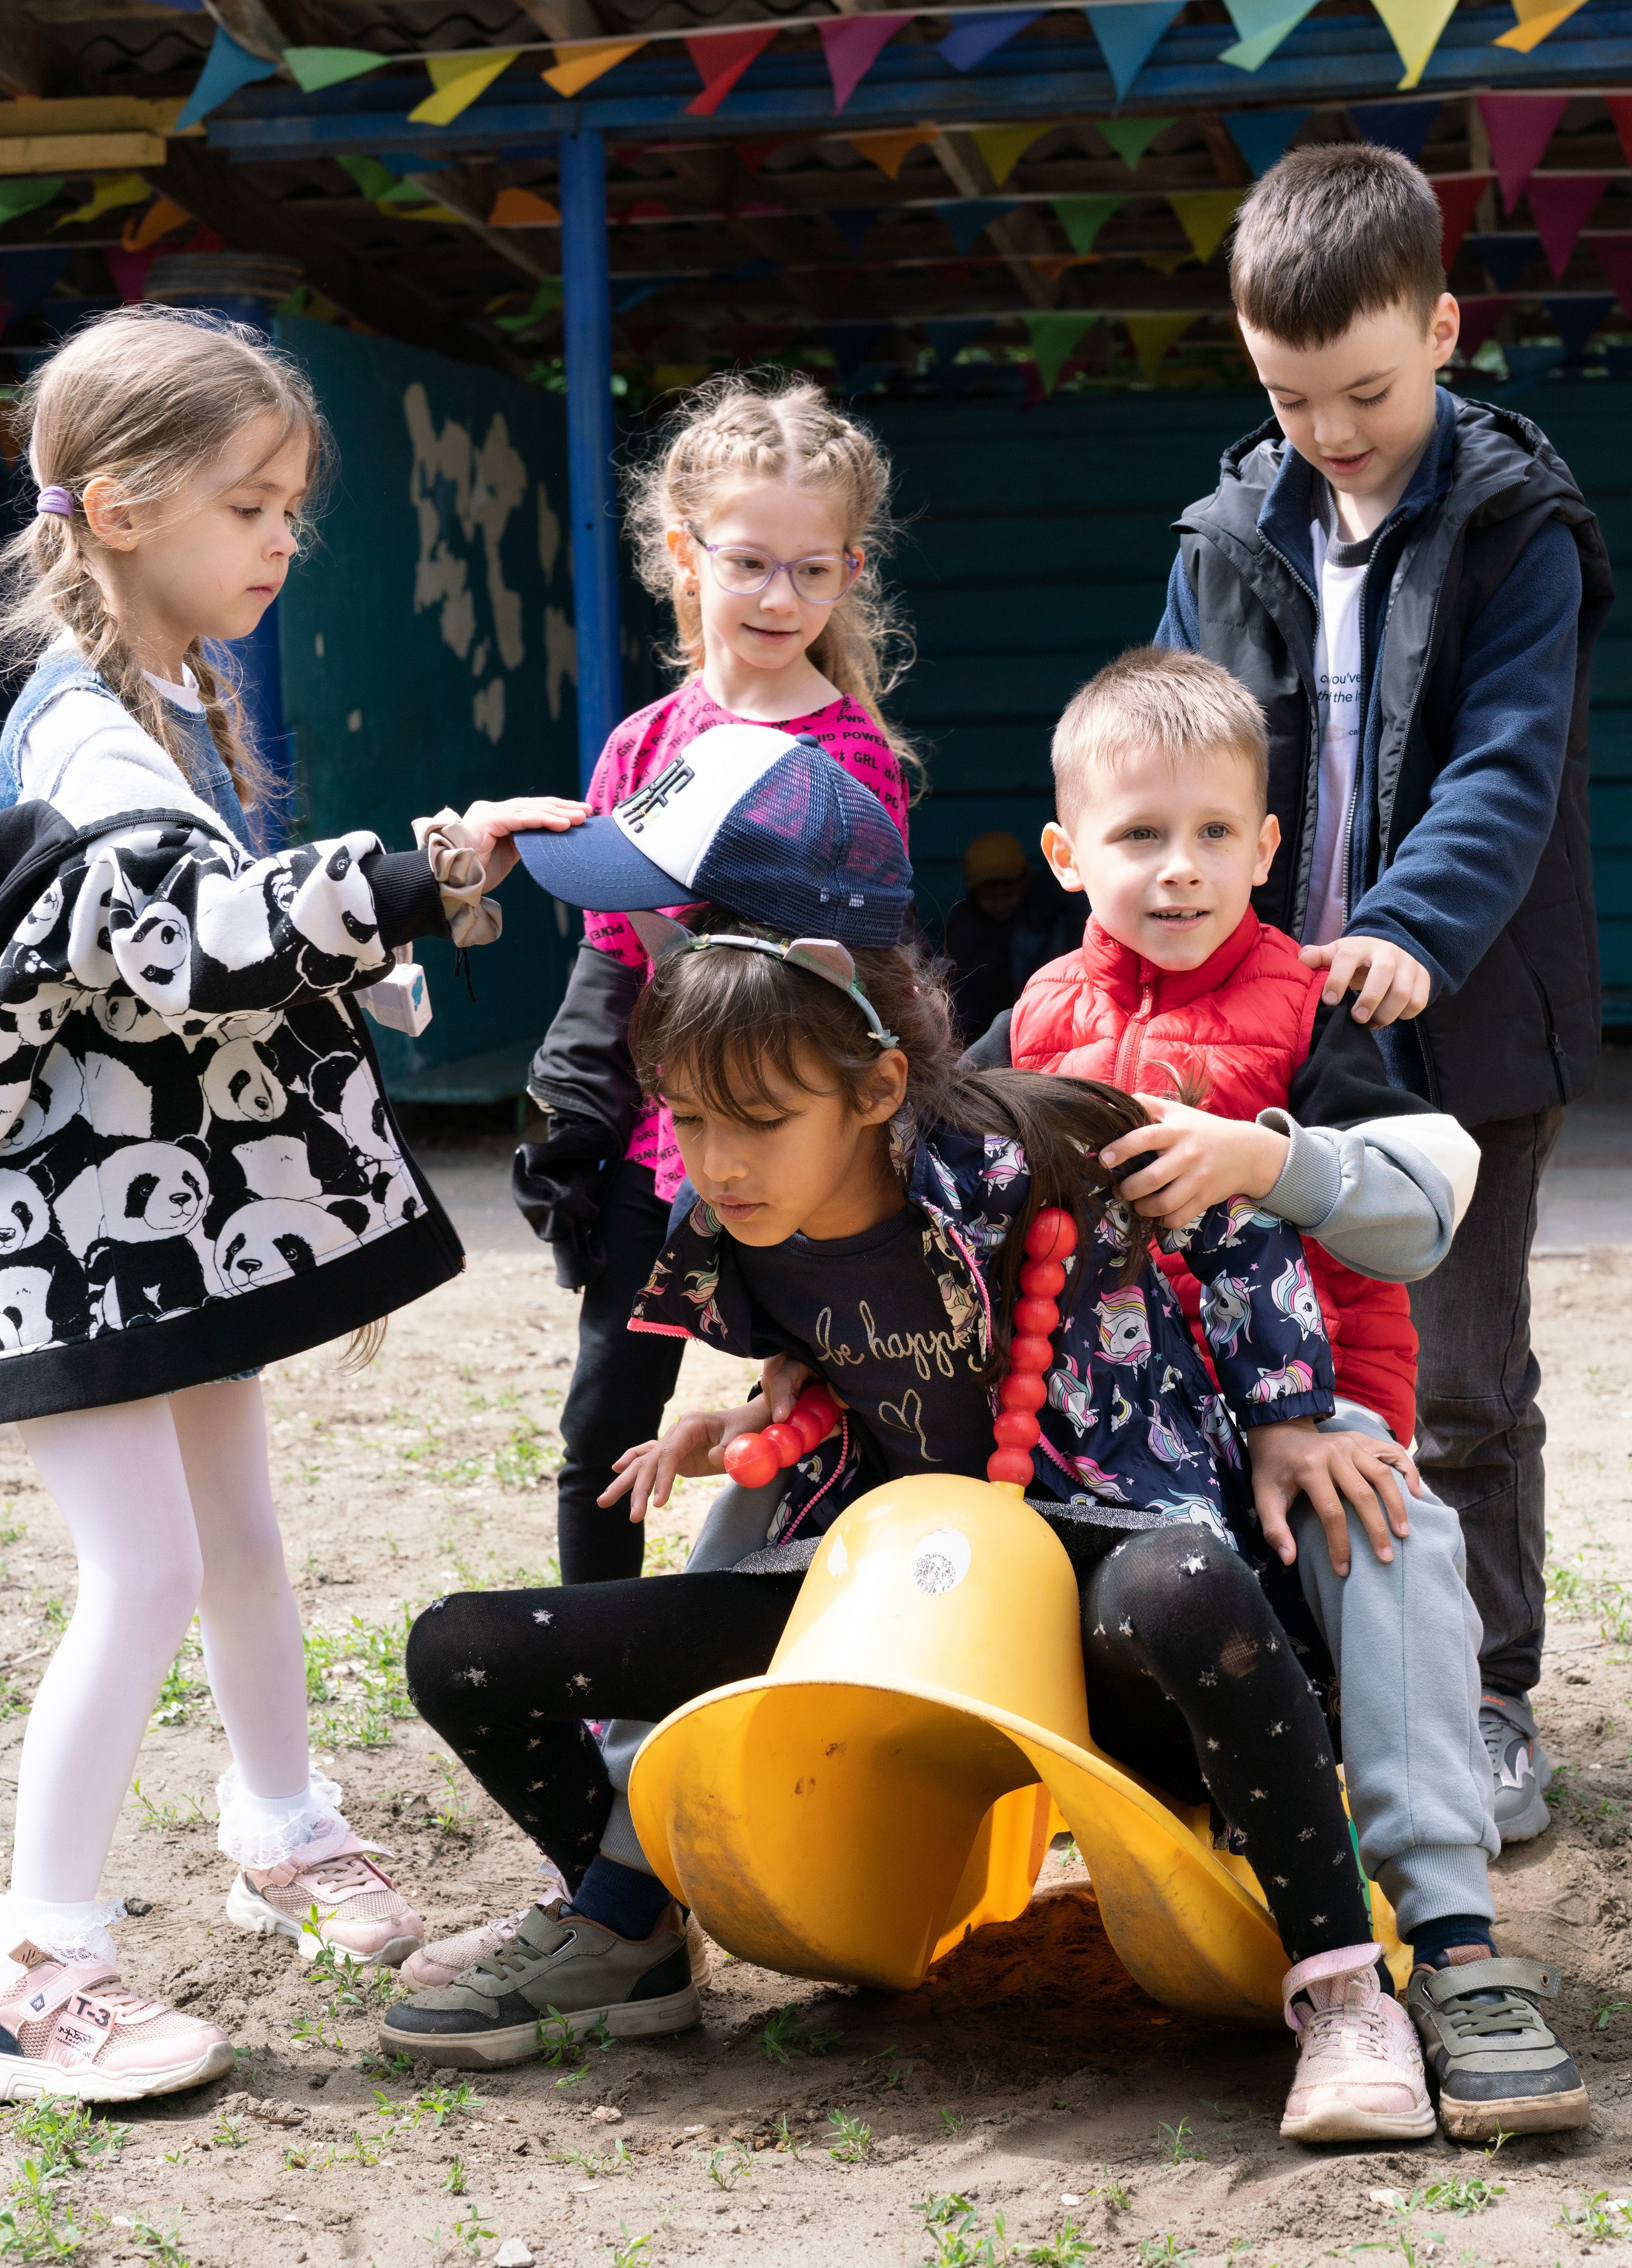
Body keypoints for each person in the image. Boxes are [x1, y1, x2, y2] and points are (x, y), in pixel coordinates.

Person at [386, 764, 1446, 2146]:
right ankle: (624, 1919)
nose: (720, 1163)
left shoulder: (1031, 1141)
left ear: (878, 1084)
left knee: (1190, 1587)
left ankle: (1339, 1986)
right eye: (689, 1120)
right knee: (462, 1647)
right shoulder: (728, 1228)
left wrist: (1292, 1406)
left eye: (758, 1123)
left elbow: (1229, 1222)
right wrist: (752, 1424)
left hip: (1104, 1579)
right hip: (897, 1606)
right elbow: (837, 1370)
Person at [0, 305, 578, 2102]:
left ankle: (280, 1822)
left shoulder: (158, 696)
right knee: (152, 1559)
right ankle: (44, 1957)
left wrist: (386, 942)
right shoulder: (83, 733)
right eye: (249, 505)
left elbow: (207, 947)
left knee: (240, 1536)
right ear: (115, 508)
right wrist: (430, 867)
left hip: (147, 1222)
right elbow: (189, 940)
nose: (277, 540)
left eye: (288, 509)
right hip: (67, 1240)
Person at [995, 646, 1585, 2140]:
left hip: (1314, 1415)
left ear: (1266, 847)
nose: (1177, 870)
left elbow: (1415, 1210)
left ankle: (1450, 1942)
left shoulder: (1310, 1016)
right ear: (1067, 853)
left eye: (1211, 835)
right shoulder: (1033, 1024)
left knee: (1387, 1533)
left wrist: (1271, 1157)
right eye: (1136, 836)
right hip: (1106, 1439)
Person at [1155, 142, 1614, 1845]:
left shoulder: (1519, 528)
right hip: (1264, 1025)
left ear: (1442, 326)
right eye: (1290, 398)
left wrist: (1412, 919)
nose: (1331, 431)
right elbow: (1165, 731)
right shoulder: (1223, 534)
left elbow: (1506, 761)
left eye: (1362, 388)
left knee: (1462, 1369)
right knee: (1262, 1349)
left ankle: (1485, 1691)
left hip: (1466, 1025)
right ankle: (1305, 1669)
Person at [512, 375, 910, 1596]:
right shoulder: (641, 743)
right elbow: (615, 945)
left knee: (828, 1402)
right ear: (685, 556)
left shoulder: (853, 758)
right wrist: (575, 1095)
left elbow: (865, 976)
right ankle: (597, 1668)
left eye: (812, 569)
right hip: (655, 1148)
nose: (780, 596)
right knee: (601, 1424)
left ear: (850, 572)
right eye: (750, 563)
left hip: (790, 1149)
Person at [944, 831, 1030, 1043]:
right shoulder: (965, 925)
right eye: (990, 898)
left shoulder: (1037, 915)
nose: (1000, 905)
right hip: (979, 1030)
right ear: (975, 894)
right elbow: (960, 993)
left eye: (1008, 895)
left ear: (1023, 885)